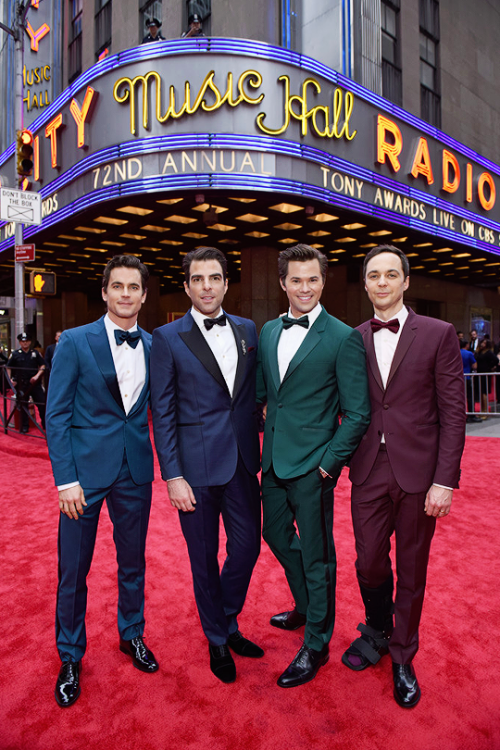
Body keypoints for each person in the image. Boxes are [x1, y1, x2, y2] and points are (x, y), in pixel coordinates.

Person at [345, 244, 466, 708]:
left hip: (420, 473)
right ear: (366, 282)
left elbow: (453, 413)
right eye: (373, 275)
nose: (381, 282)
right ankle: (377, 628)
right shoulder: (352, 337)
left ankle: (402, 654)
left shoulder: (438, 333)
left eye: (390, 274)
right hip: (368, 470)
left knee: (412, 570)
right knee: (369, 562)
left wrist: (445, 480)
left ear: (405, 281)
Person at [46, 255, 158, 709]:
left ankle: (131, 634)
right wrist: (65, 479)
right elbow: (56, 414)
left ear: (144, 295)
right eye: (118, 286)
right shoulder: (74, 341)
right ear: (105, 292)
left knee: (133, 564)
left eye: (134, 287)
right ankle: (70, 655)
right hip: (83, 478)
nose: (126, 294)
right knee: (74, 570)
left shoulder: (154, 345)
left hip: (135, 470)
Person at [256, 243, 370, 688]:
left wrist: (328, 465)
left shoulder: (342, 337)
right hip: (273, 463)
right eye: (296, 279)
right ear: (283, 282)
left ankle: (318, 642)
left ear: (323, 282)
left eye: (313, 279)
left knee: (319, 557)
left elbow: (357, 412)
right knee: (275, 534)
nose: (305, 288)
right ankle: (307, 606)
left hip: (313, 468)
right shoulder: (268, 331)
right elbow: (267, 397)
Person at [150, 246, 263, 684]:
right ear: (186, 286)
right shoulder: (167, 337)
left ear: (226, 283)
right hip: (193, 472)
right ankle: (218, 636)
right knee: (203, 558)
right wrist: (173, 475)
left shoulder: (247, 329)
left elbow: (250, 394)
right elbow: (163, 410)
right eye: (197, 279)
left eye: (214, 278)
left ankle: (225, 616)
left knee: (247, 549)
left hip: (240, 463)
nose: (206, 286)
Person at [7, 331, 46, 433]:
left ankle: (45, 424)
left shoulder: (35, 353)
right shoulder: (15, 354)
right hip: (21, 383)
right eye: (23, 342)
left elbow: (43, 365)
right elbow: (8, 367)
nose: (25, 343)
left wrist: (37, 376)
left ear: (30, 342)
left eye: (27, 341)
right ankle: (25, 426)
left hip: (34, 383)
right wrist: (11, 379)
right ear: (20, 343)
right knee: (23, 405)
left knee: (41, 403)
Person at [460, 339, 480, 422]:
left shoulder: (457, 352)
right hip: (467, 377)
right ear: (467, 345)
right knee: (470, 397)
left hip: (459, 377)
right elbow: (475, 365)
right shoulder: (469, 354)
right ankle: (471, 415)